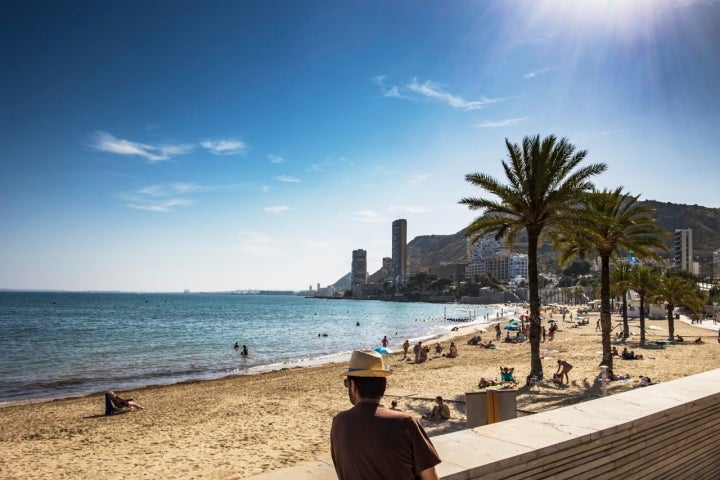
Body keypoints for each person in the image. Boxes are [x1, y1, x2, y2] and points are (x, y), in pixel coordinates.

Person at [331, 350, 441, 480]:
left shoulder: (338, 423)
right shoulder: (405, 422)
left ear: (353, 386)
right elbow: (431, 477)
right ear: (383, 386)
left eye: (347, 384)